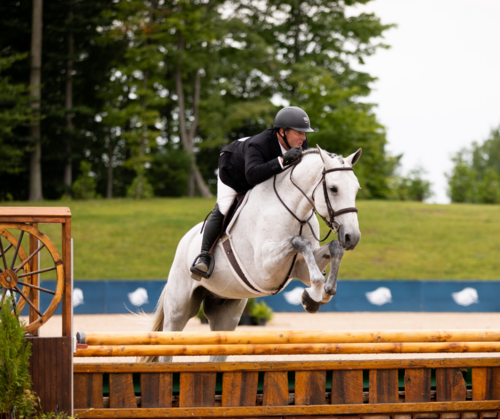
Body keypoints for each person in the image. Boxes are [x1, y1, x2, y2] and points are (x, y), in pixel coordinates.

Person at [190, 106, 315, 279]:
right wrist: (281, 160)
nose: (303, 137)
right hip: (233, 172)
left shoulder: (301, 143)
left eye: (304, 133)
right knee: (225, 206)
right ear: (282, 132)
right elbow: (252, 176)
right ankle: (204, 257)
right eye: (298, 133)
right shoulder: (259, 144)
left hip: (264, 173)